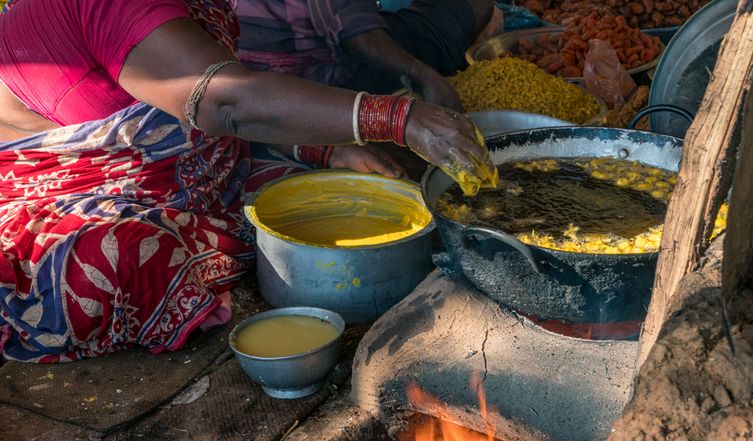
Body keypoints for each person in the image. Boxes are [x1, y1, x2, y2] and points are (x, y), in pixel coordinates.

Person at [0, 0, 494, 362]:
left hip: (177, 170)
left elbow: (217, 117)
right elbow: (224, 102)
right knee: (117, 257)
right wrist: (396, 118)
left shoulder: (203, 4)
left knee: (321, 185)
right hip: (63, 184)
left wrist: (320, 145)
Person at [232, 0, 503, 110]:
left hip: (251, 54)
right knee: (478, 6)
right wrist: (425, 76)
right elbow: (355, 30)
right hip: (312, 78)